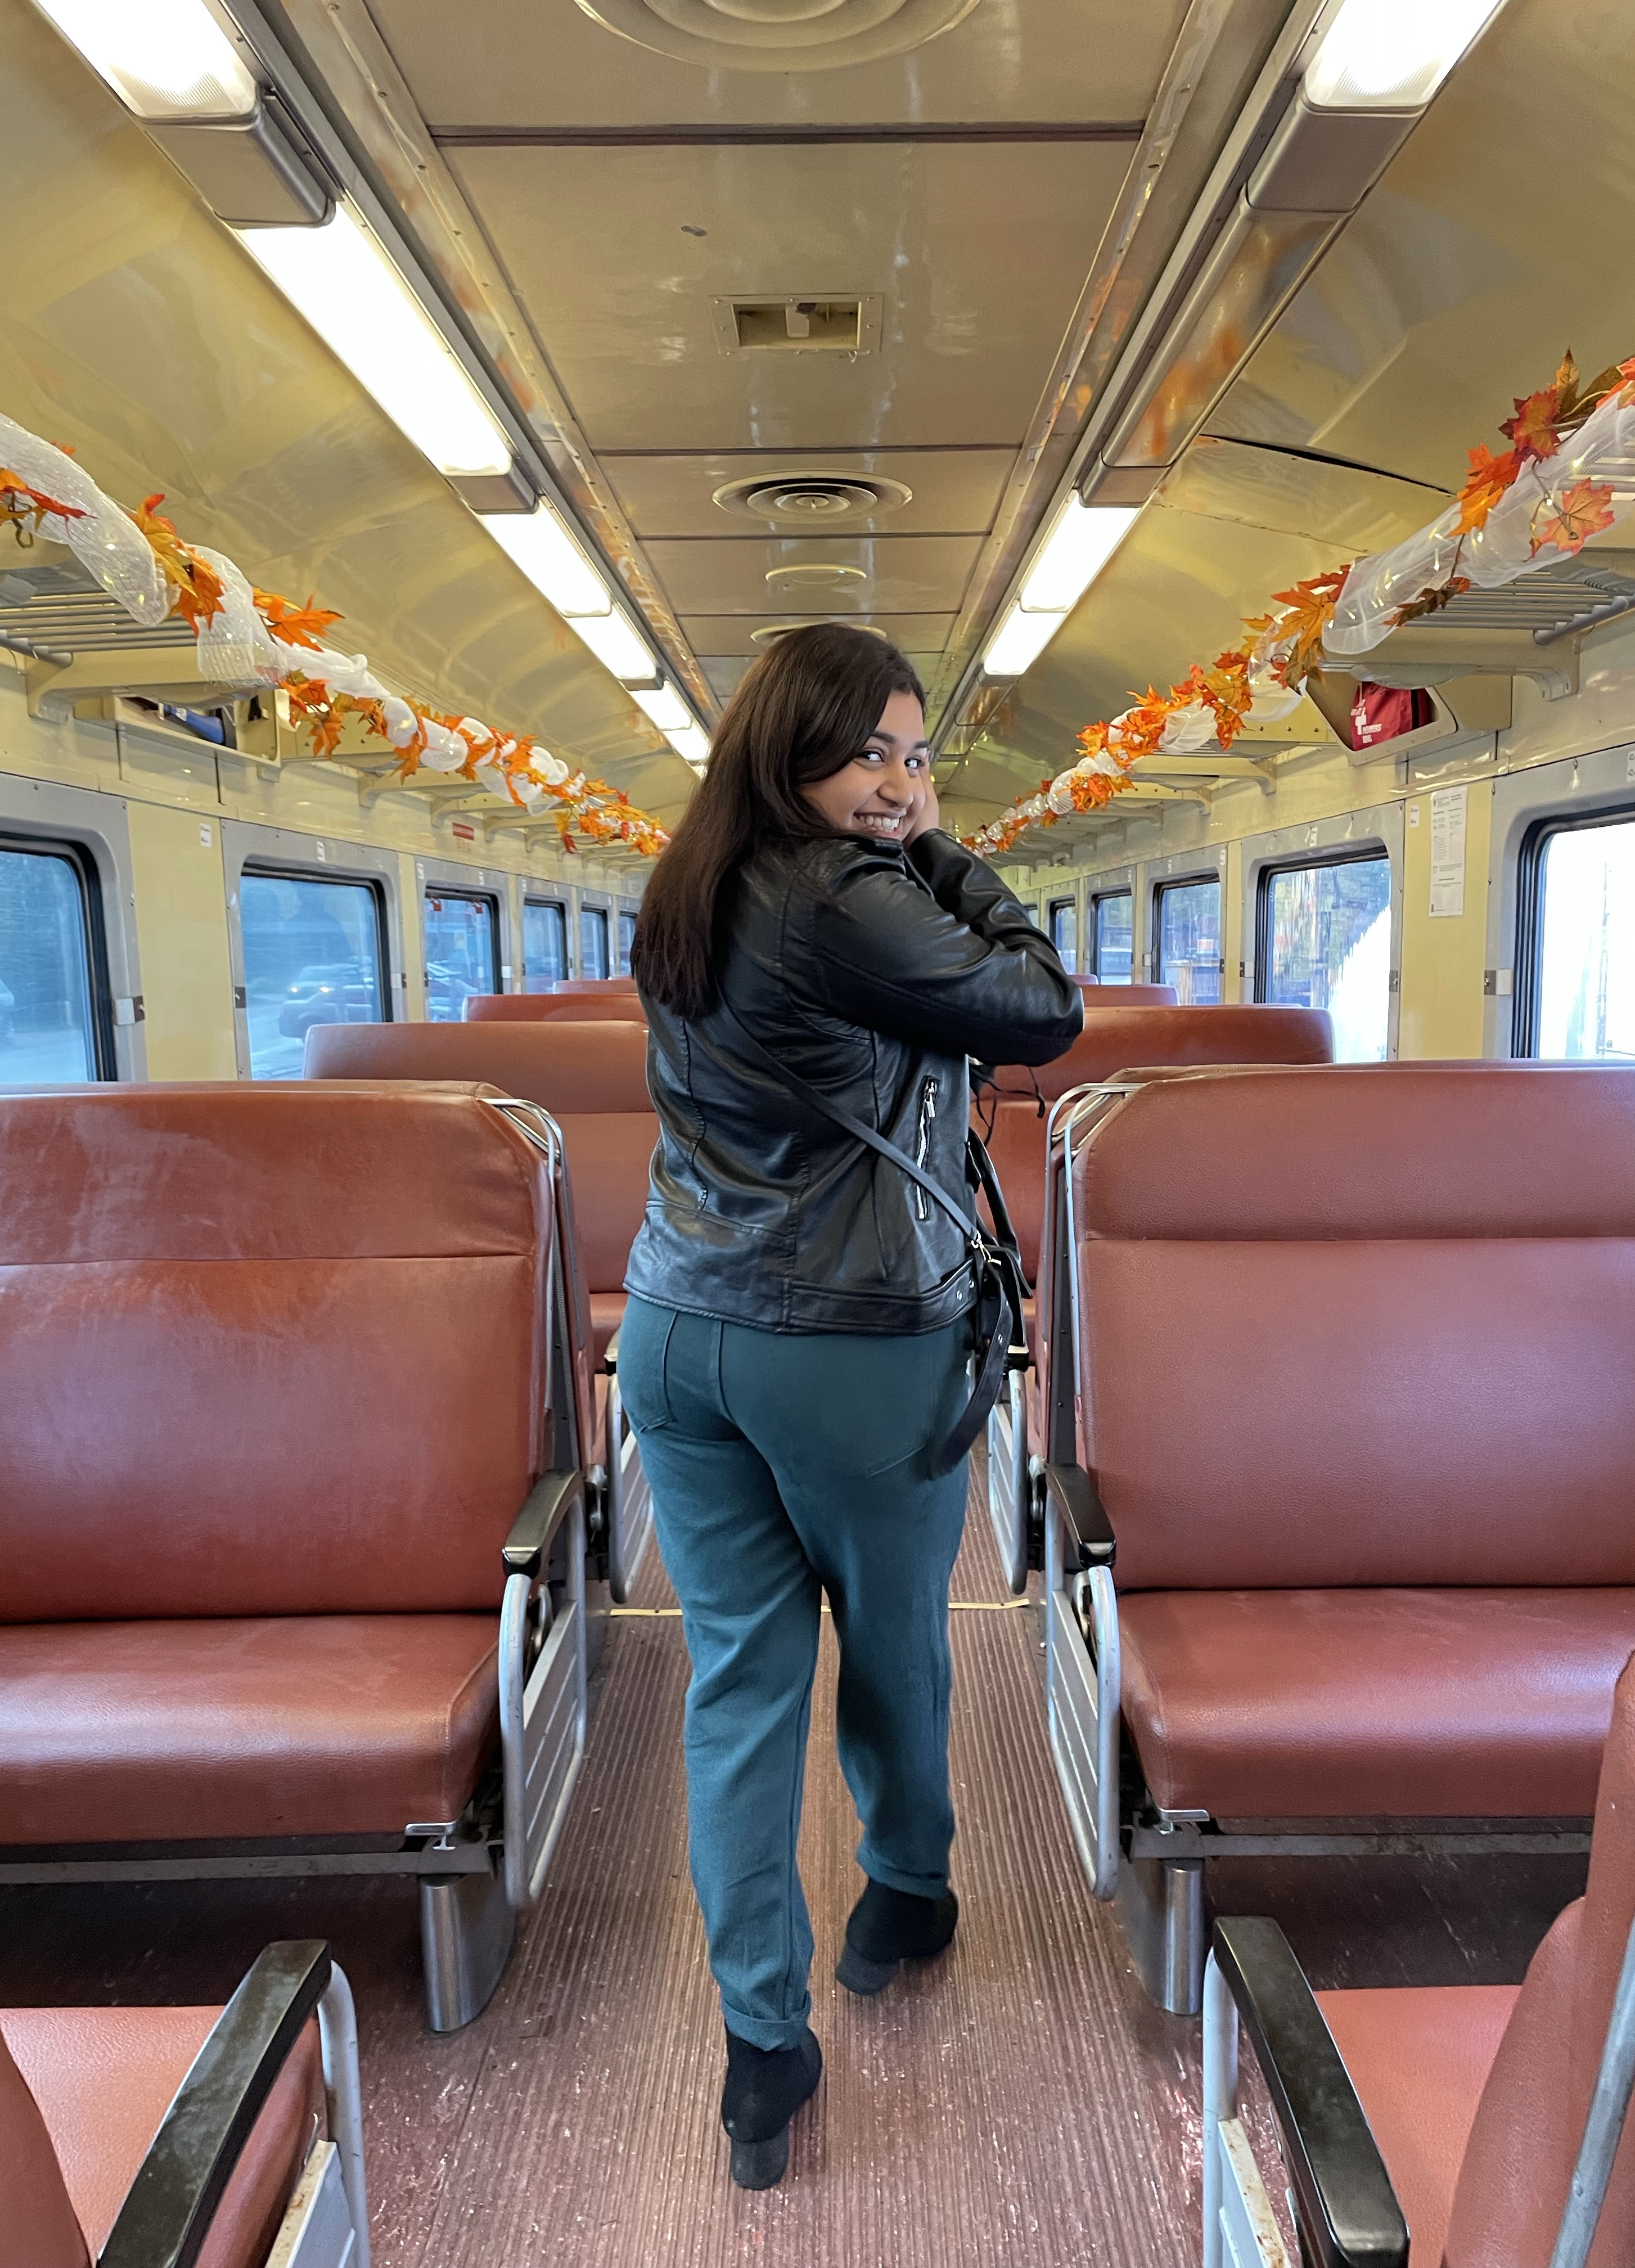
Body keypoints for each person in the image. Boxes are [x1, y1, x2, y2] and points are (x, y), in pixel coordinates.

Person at [623, 623, 1082, 2188]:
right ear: (792, 751)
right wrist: (941, 846)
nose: (897, 781)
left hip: (677, 1331)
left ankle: (761, 2043)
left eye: (916, 755)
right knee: (891, 1642)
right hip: (846, 1342)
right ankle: (905, 1895)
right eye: (870, 752)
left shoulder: (689, 881)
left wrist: (905, 830)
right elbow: (1043, 1007)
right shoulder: (845, 893)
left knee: (740, 1683)